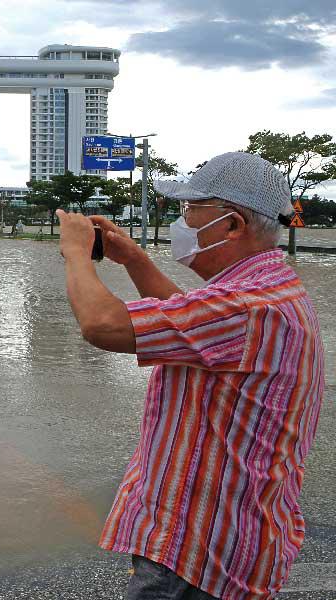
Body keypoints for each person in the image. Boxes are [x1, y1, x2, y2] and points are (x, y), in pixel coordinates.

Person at [56, 152, 324, 600]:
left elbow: (102, 324)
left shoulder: (247, 306)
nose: (181, 223)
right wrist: (133, 259)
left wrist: (75, 254)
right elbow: (194, 327)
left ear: (232, 225)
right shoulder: (262, 292)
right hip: (226, 534)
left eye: (189, 211)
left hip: (198, 552)